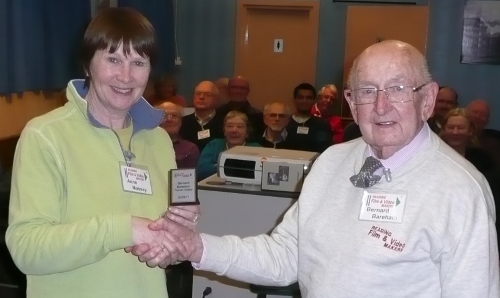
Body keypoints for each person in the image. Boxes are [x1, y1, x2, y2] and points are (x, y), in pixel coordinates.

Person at [131, 40, 499, 297]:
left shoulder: (460, 190)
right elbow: (284, 256)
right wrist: (196, 247)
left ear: (428, 99)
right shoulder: (332, 163)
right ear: (351, 104)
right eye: (367, 91)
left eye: (399, 88)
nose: (381, 106)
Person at [5, 8, 199, 298]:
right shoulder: (46, 135)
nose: (126, 75)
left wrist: (176, 236)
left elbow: (162, 240)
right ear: (87, 64)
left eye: (138, 62)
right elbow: (27, 249)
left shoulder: (158, 139)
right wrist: (121, 229)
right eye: (113, 59)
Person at [197, 111, 260, 180]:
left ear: (247, 132)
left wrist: (218, 166)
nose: (234, 130)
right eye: (229, 126)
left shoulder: (256, 148)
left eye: (239, 127)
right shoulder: (214, 145)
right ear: (224, 130)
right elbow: (202, 171)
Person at [178, 81, 224, 152]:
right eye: (198, 94)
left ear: (216, 99)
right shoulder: (182, 122)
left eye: (208, 94)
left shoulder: (224, 122)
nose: (201, 97)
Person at [286, 83, 332, 152]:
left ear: (314, 101)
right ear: (294, 100)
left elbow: (324, 150)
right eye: (301, 97)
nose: (304, 101)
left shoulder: (322, 124)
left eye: (309, 98)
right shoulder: (285, 123)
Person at [157, 101, 199, 168]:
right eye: (164, 115)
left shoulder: (190, 149)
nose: (169, 119)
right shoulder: (145, 146)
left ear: (180, 122)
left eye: (174, 116)